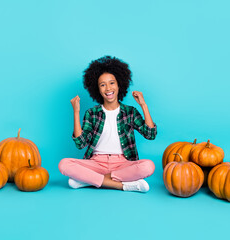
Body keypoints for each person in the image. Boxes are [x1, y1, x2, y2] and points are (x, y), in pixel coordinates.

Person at [58, 56, 157, 192]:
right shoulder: (92, 113)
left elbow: (150, 134)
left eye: (112, 83)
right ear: (97, 89)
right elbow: (80, 144)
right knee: (64, 164)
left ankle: (88, 181)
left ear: (119, 85)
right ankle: (122, 185)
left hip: (122, 163)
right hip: (96, 162)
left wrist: (143, 105)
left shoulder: (130, 112)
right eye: (102, 85)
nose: (108, 88)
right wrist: (76, 112)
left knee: (148, 166)